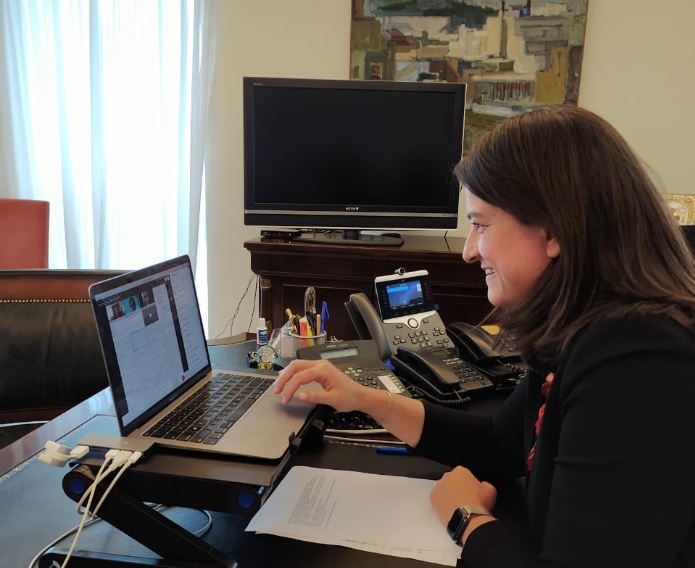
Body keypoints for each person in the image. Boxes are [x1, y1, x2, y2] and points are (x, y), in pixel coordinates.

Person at [274, 105, 695, 567]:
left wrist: (466, 518)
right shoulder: (581, 330)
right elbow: (498, 443)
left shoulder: (636, 358)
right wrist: (366, 399)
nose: (470, 251)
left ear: (553, 230)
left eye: (480, 224)